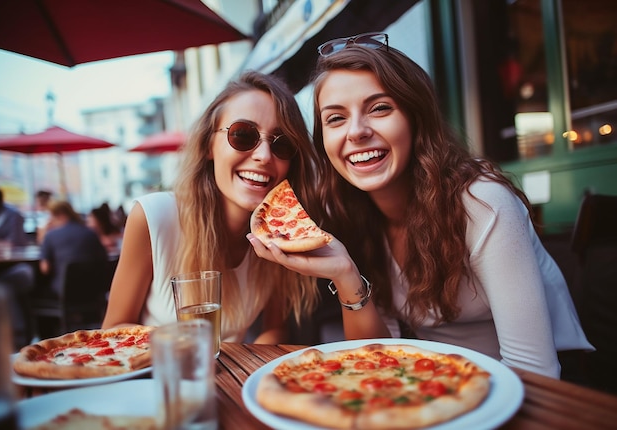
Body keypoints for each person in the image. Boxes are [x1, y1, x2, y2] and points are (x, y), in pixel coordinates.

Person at [247, 33, 593, 378]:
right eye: (335, 118)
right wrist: (346, 274)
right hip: (440, 385)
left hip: (539, 392)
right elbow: (381, 364)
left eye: (379, 108)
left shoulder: (482, 202)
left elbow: (535, 371)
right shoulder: (350, 212)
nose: (356, 132)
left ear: (416, 118)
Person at [101, 71, 322, 345]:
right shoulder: (154, 217)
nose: (264, 156)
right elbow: (113, 332)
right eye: (243, 135)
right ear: (209, 145)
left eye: (283, 143)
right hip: (155, 380)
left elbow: (274, 329)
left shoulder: (281, 233)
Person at [0, 186, 34, 349]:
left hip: (19, 267)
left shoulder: (12, 215)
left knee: (2, 286)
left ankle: (18, 335)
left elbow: (16, 243)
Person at [39, 201, 108, 297]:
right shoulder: (90, 233)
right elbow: (103, 260)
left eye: (51, 217)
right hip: (93, 290)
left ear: (59, 215)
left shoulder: (51, 235)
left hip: (63, 291)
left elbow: (45, 268)